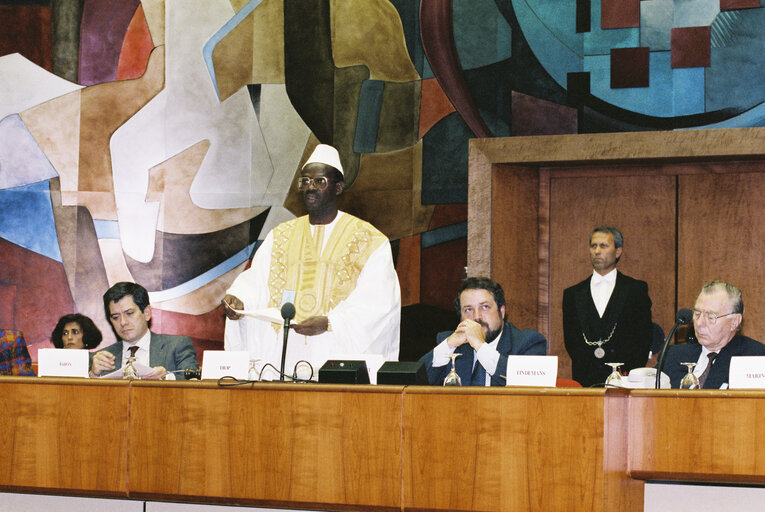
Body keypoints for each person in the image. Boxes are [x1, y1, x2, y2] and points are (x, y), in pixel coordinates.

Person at [222, 144, 400, 380]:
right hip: (281, 359)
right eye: (305, 182)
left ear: (338, 187)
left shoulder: (370, 241)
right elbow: (257, 281)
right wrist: (239, 299)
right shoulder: (280, 235)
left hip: (334, 357)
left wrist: (329, 322)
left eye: (320, 181)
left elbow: (378, 303)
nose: (310, 188)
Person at [563, 227, 652, 387]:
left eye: (603, 246)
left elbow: (643, 339)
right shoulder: (572, 294)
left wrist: (628, 375)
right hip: (585, 380)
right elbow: (571, 341)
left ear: (618, 251)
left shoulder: (635, 290)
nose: (597, 251)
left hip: (625, 381)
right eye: (593, 246)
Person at [419, 277, 547, 386]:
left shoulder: (528, 342)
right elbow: (415, 383)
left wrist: (480, 346)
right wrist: (449, 345)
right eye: (468, 309)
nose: (477, 316)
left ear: (501, 312)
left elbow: (529, 386)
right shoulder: (451, 343)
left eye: (485, 307)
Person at [664, 281, 765, 389]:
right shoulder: (673, 355)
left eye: (711, 317)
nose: (699, 323)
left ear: (735, 321)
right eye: (697, 314)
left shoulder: (755, 357)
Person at [90, 282, 199, 379]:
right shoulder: (101, 358)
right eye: (115, 317)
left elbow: (193, 382)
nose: (123, 322)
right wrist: (94, 375)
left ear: (147, 313)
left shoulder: (176, 346)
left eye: (129, 313)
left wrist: (167, 378)